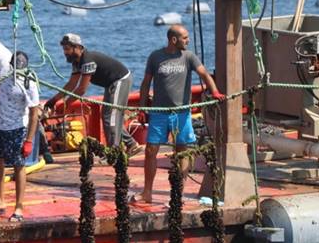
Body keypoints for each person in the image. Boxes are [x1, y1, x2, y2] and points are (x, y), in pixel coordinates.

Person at [132, 25, 224, 204]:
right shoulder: (155, 57)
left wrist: (215, 92)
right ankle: (147, 192)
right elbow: (145, 83)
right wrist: (142, 108)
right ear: (173, 40)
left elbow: (204, 74)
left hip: (182, 113)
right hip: (159, 113)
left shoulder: (189, 57)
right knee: (151, 151)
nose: (187, 40)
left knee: (183, 152)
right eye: (184, 37)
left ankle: (178, 195)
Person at [43, 33, 141, 155]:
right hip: (111, 84)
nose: (65, 52)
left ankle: (114, 152)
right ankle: (131, 144)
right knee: (109, 115)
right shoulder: (76, 63)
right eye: (64, 49)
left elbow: (82, 89)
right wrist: (53, 101)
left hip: (120, 80)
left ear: (78, 47)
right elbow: (71, 84)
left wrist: (67, 103)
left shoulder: (87, 60)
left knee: (110, 116)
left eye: (67, 49)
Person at [0, 51, 39, 222]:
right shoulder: (3, 70)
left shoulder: (29, 84)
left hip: (16, 129)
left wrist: (29, 140)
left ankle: (19, 206)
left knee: (19, 166)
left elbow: (34, 114)